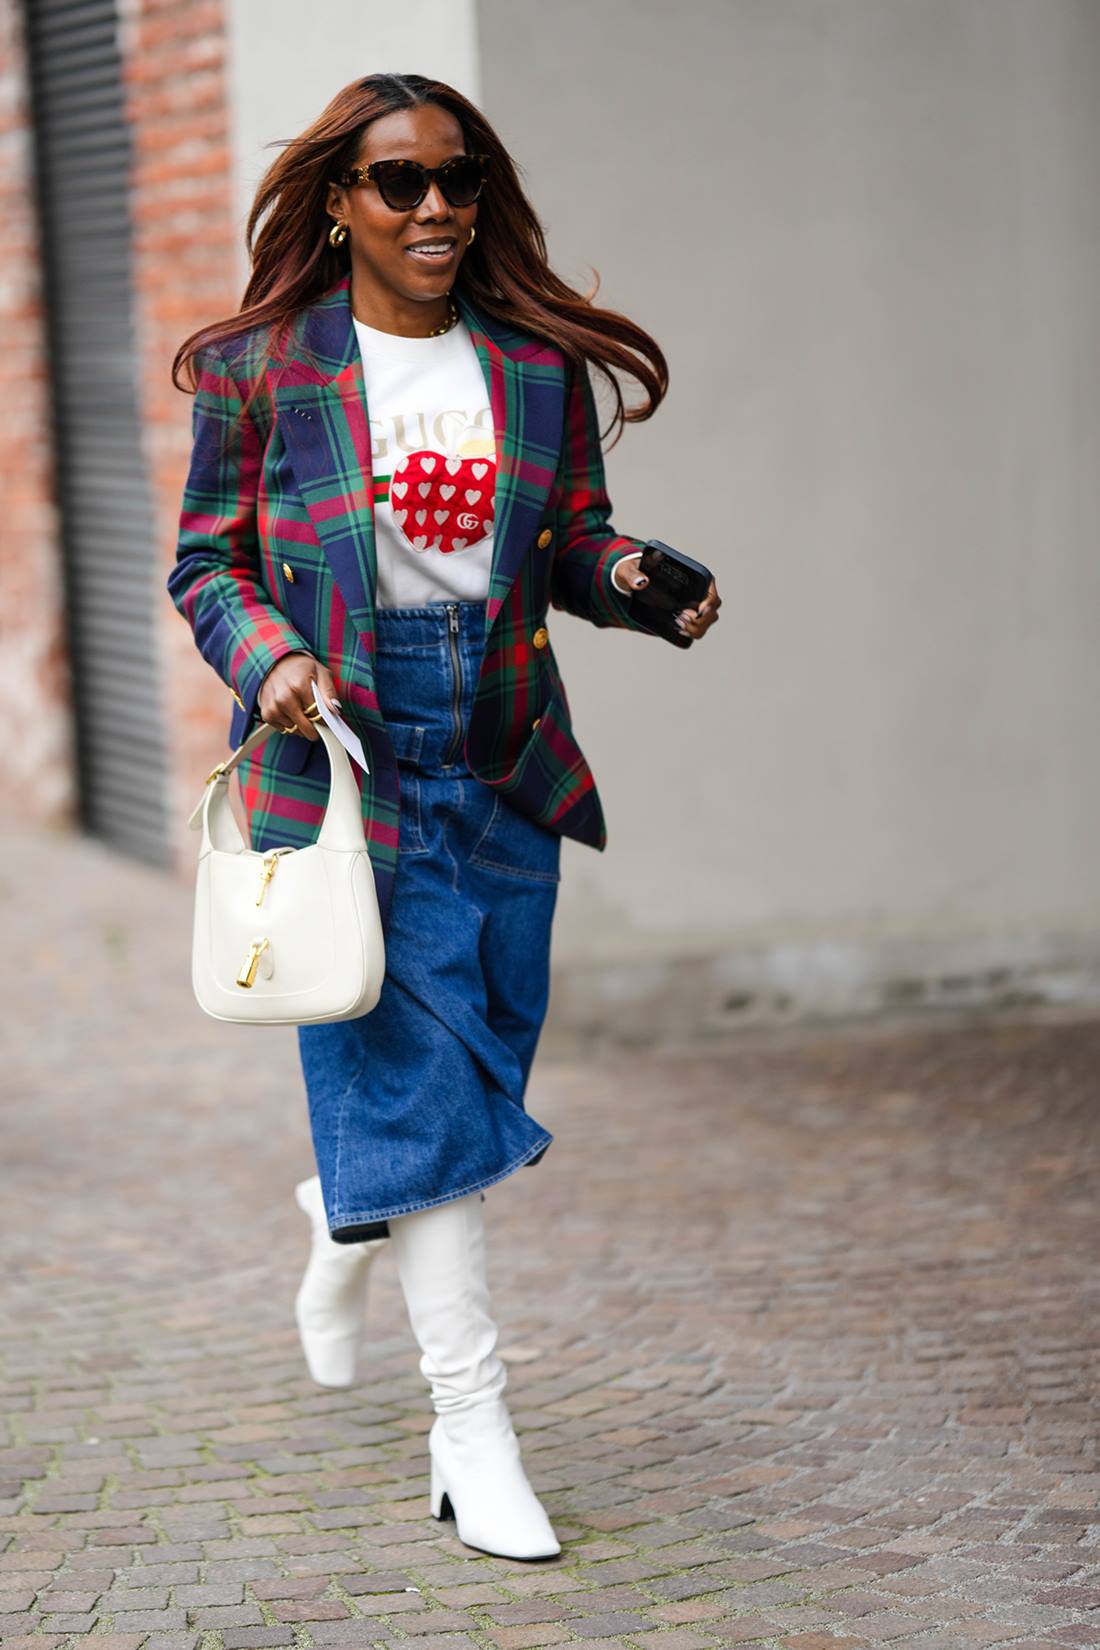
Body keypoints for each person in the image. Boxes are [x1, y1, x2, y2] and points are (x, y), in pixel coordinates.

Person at [168, 72, 721, 1562]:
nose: (434, 209)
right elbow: (203, 564)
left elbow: (572, 544)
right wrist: (269, 658)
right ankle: (472, 1430)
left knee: (468, 1065)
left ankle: (339, 1203)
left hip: (498, 747)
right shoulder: (264, 367)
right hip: (337, 745)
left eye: (458, 182)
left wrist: (632, 584)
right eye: (399, 183)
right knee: (421, 1080)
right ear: (339, 201)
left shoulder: (532, 371)